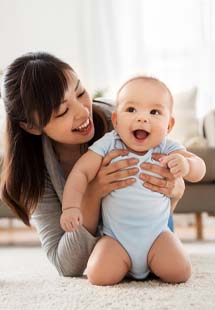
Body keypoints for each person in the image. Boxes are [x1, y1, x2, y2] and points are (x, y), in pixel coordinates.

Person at [1, 52, 185, 277]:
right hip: (109, 252)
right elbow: (66, 265)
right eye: (63, 111)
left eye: (80, 92)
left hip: (153, 233)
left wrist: (175, 188)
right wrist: (92, 193)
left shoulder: (121, 121)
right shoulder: (35, 171)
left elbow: (172, 170)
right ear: (32, 126)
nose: (82, 111)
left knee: (176, 268)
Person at [61, 76, 206, 285]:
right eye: (131, 110)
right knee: (98, 276)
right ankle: (124, 264)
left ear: (169, 125)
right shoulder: (109, 144)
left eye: (154, 112)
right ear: (116, 120)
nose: (142, 118)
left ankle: (153, 261)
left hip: (158, 236)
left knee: (180, 272)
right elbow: (80, 173)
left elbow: (199, 167)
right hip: (116, 239)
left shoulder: (166, 147)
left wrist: (187, 165)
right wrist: (71, 208)